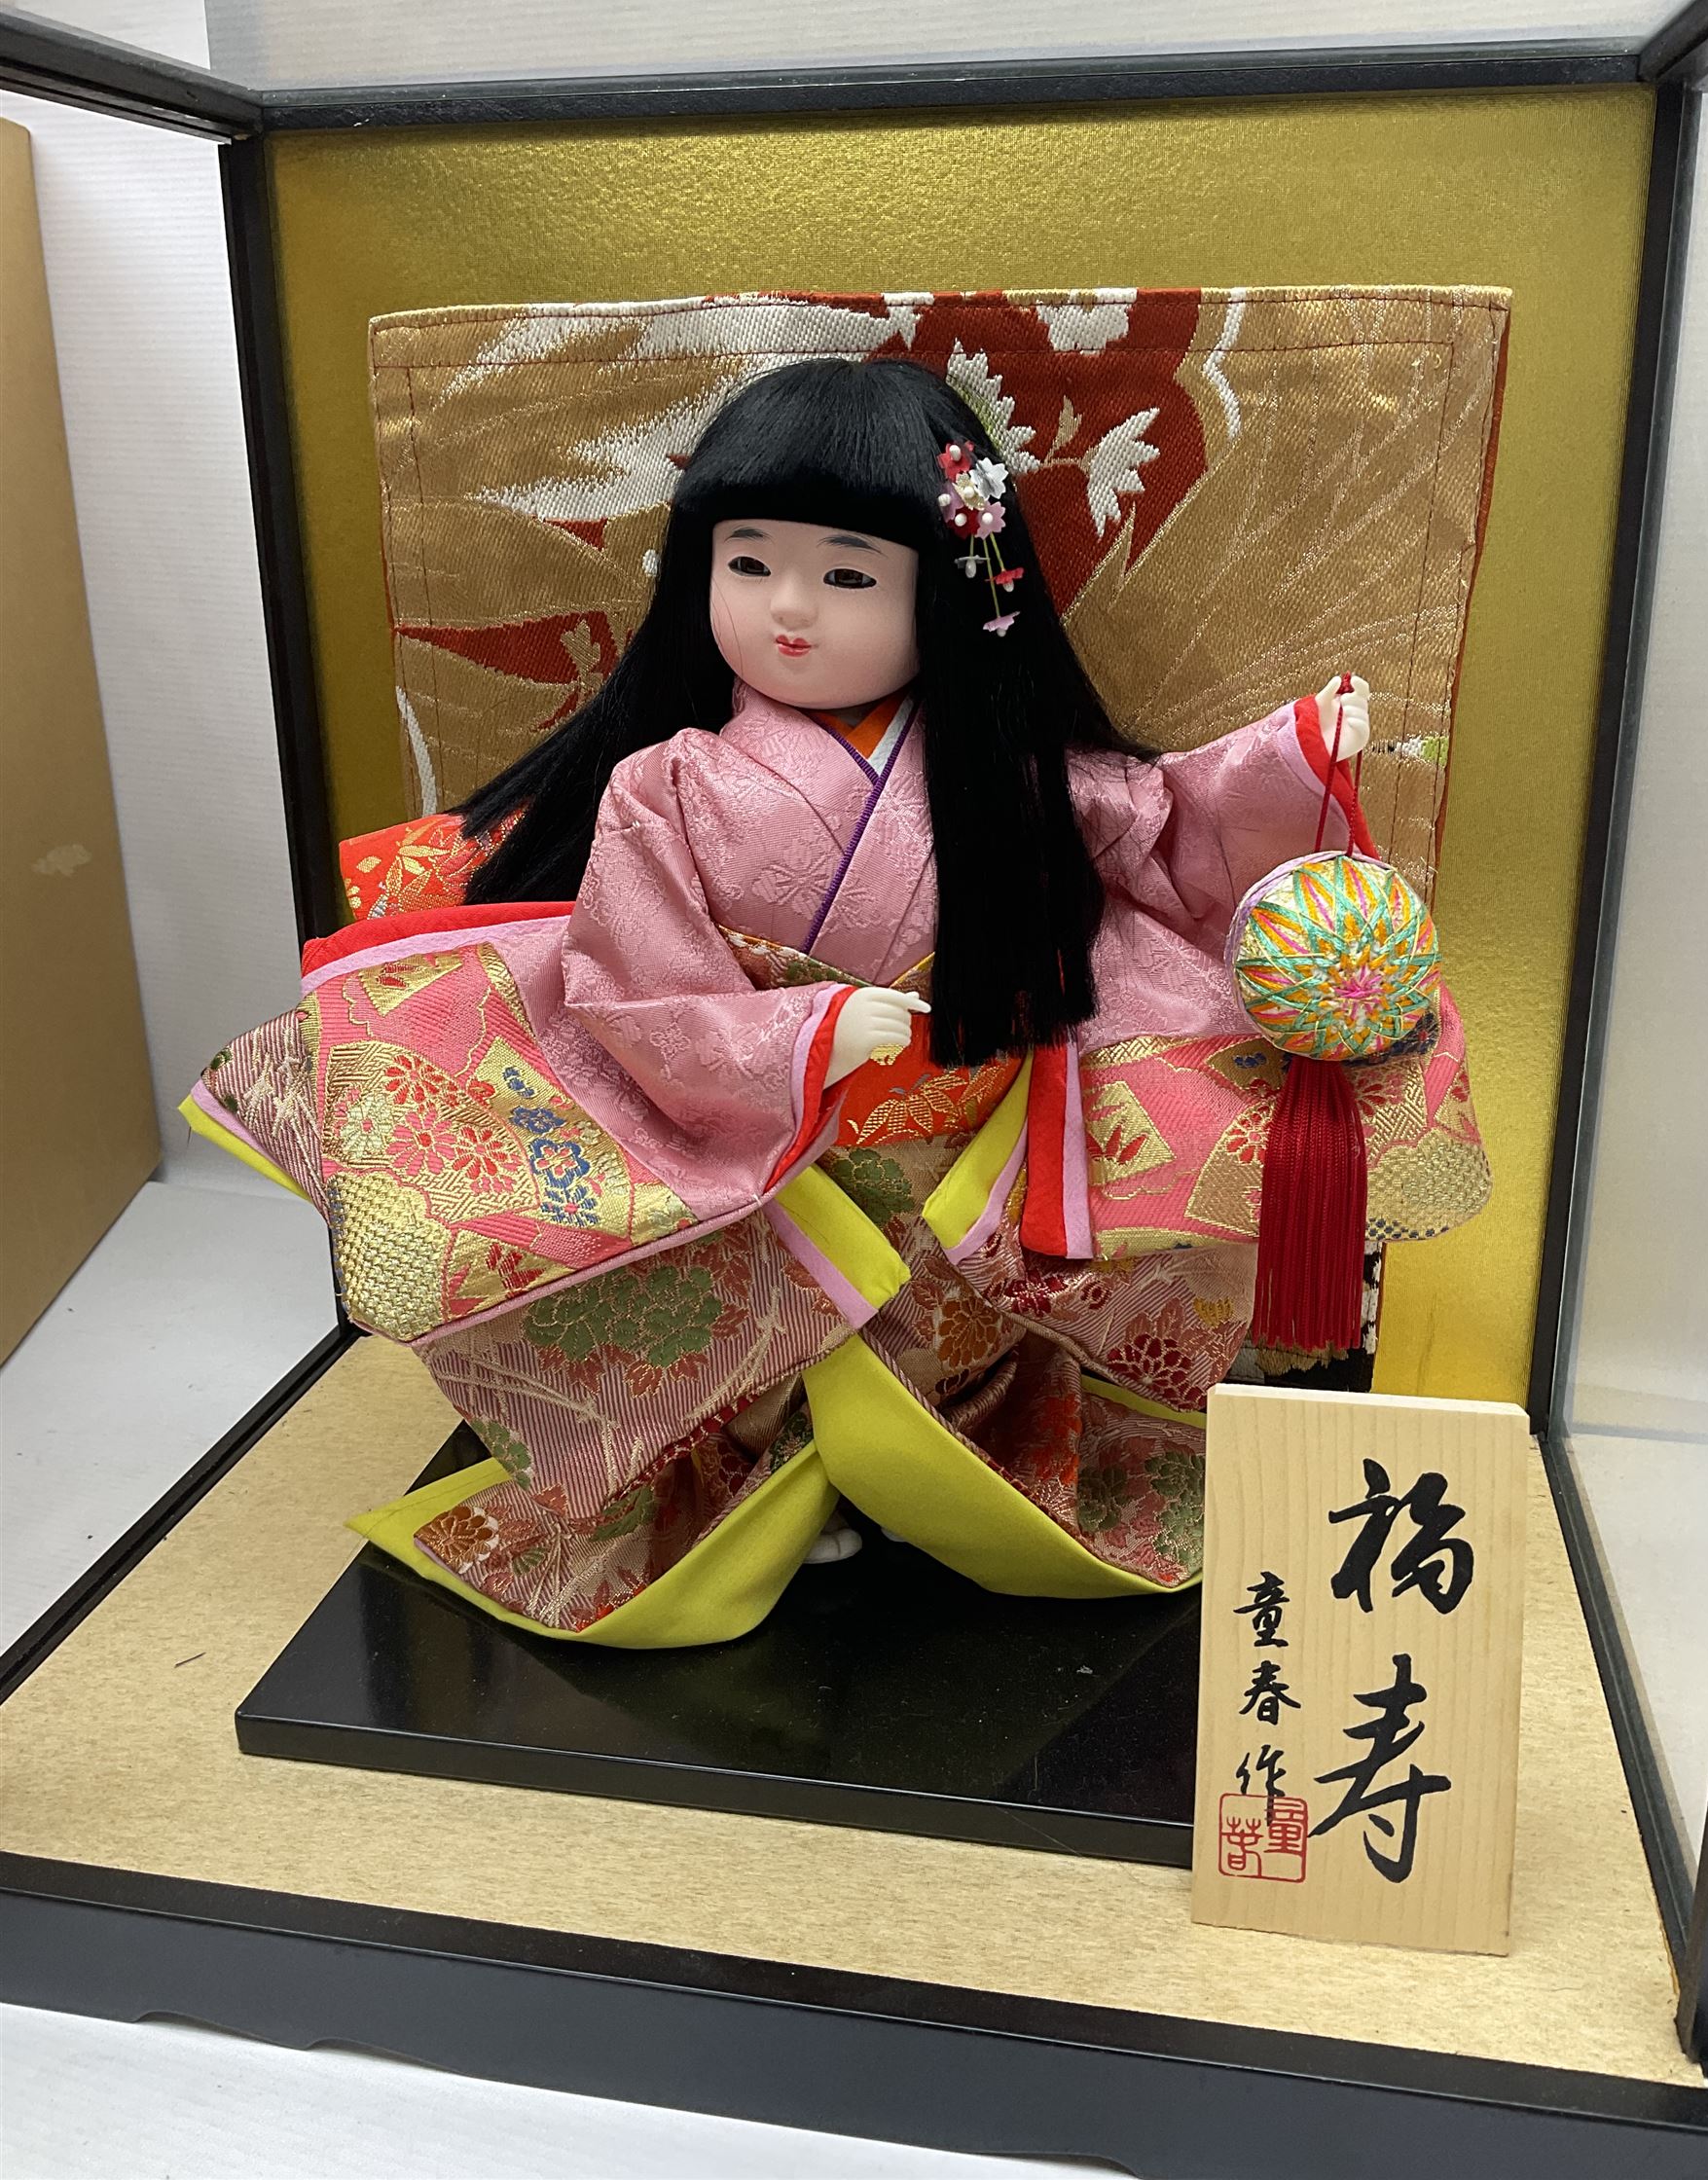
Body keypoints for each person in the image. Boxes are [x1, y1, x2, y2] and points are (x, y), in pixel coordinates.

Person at [187, 356, 1485, 1645]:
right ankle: (778, 1488)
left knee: (949, 1342)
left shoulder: (1013, 774)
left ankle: (942, 1485)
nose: (789, 609)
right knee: (771, 1351)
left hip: (959, 1146)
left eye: (849, 575)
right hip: (773, 1145)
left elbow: (1167, 832)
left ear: (954, 588)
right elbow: (633, 990)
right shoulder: (669, 785)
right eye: (749, 564)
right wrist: (799, 1032)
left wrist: (1295, 753)